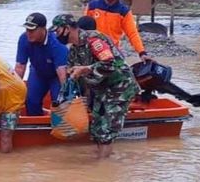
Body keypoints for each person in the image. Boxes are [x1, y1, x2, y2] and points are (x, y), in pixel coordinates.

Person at [50, 14, 139, 159]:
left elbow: (110, 63)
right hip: (100, 89)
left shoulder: (94, 40)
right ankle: (103, 158)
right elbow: (74, 76)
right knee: (97, 129)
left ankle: (102, 169)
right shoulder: (74, 49)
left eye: (57, 31)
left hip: (119, 88)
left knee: (106, 131)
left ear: (67, 28)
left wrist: (87, 69)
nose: (56, 35)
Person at [14, 12, 68, 115]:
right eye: (27, 30)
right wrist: (14, 89)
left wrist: (66, 95)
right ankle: (35, 125)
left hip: (56, 75)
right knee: (31, 100)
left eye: (32, 30)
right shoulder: (24, 39)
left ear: (43, 29)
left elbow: (62, 74)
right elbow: (20, 67)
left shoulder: (56, 43)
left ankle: (60, 125)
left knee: (59, 102)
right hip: (38, 72)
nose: (28, 33)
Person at [85, 0, 150, 61]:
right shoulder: (92, 6)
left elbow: (132, 33)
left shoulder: (123, 11)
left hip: (113, 49)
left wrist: (142, 52)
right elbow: (83, 28)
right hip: (93, 47)